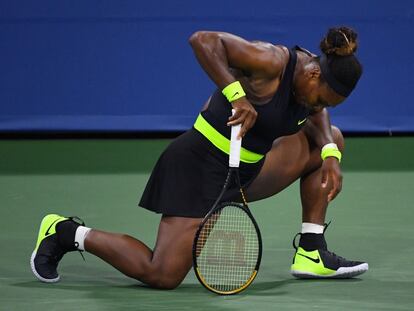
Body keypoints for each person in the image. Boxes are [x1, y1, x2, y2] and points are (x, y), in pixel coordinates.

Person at [30, 26, 368, 289]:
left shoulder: (309, 89)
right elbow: (203, 40)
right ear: (313, 74)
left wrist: (330, 155)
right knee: (162, 274)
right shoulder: (271, 61)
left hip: (247, 171)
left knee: (331, 140)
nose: (319, 108)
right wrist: (237, 95)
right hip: (200, 166)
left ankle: (311, 249)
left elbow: (316, 117)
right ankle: (65, 232)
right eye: (322, 99)